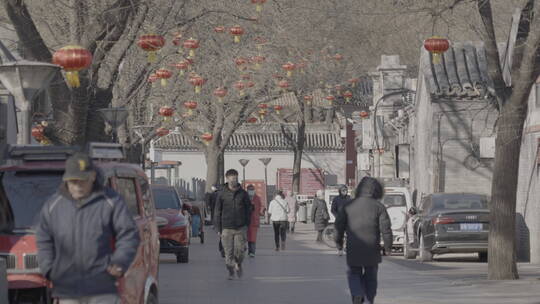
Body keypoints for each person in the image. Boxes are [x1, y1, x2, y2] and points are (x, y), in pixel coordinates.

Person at [36, 153, 140, 303]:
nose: (78, 186)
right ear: (66, 179)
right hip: (67, 290)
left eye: (82, 181)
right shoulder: (53, 205)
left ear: (92, 176)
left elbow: (129, 233)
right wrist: (49, 269)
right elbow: (43, 238)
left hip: (102, 287)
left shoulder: (110, 201)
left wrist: (119, 262)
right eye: (73, 181)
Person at [335, 177, 392, 304]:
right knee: (371, 276)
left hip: (353, 247)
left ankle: (357, 294)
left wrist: (339, 243)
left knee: (354, 273)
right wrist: (388, 247)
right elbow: (386, 229)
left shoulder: (347, 206)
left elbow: (338, 227)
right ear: (377, 191)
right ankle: (369, 299)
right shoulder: (379, 207)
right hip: (372, 247)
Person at [214, 169, 252, 280]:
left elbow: (248, 209)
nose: (233, 180)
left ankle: (239, 264)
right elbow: (217, 211)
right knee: (228, 253)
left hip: (241, 227)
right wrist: (218, 228)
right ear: (227, 178)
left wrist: (247, 223)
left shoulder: (243, 194)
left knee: (240, 251)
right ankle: (231, 271)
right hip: (226, 228)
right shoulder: (222, 194)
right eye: (231, 178)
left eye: (235, 178)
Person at [246, 184, 265, 257]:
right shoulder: (245, 197)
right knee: (247, 237)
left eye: (252, 190)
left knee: (253, 237)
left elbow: (260, 207)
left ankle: (252, 252)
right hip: (246, 221)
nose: (251, 191)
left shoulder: (257, 198)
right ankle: (249, 250)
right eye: (250, 190)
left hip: (254, 220)